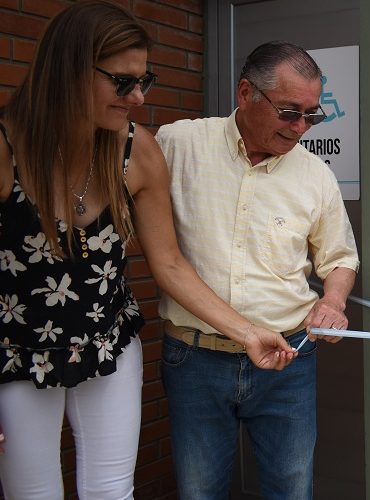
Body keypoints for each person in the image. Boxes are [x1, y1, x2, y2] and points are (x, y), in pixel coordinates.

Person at [0, 2, 297, 498]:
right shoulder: (7, 147)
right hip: (18, 350)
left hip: (109, 339)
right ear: (70, 70)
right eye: (121, 82)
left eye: (145, 80)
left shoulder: (136, 149)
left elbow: (170, 264)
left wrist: (247, 334)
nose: (137, 97)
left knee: (112, 491)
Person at [154, 41, 359, 499]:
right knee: (198, 490)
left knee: (291, 490)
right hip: (195, 358)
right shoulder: (177, 144)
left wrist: (333, 300)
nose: (301, 127)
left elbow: (340, 257)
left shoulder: (315, 174)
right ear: (246, 93)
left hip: (289, 360)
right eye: (290, 112)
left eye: (313, 115)